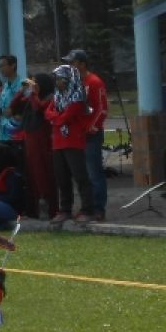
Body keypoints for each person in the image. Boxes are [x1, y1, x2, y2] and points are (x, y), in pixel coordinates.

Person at [46, 65, 95, 226]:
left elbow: (65, 117)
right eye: (57, 79)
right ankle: (65, 209)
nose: (58, 82)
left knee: (80, 177)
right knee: (62, 178)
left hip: (73, 141)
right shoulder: (57, 96)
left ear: (68, 79)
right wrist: (57, 117)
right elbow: (48, 113)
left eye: (60, 79)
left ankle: (87, 209)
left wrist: (57, 117)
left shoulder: (77, 97)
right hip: (58, 142)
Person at [65, 49, 109, 220]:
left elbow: (102, 108)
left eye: (73, 62)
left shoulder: (94, 82)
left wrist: (92, 127)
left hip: (90, 135)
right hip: (76, 135)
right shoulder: (72, 83)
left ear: (82, 64)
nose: (70, 66)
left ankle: (98, 208)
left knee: (94, 173)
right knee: (81, 174)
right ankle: (86, 207)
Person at [16, 73, 59, 220]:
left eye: (36, 83)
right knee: (32, 176)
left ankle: (52, 209)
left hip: (42, 142)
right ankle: (33, 209)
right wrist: (22, 91)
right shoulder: (32, 98)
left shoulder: (49, 98)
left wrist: (33, 94)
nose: (33, 86)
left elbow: (38, 108)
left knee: (45, 175)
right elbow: (13, 107)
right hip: (30, 140)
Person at [0, 55, 24, 144]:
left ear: (13, 65)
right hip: (4, 131)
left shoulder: (23, 85)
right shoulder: (5, 86)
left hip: (17, 131)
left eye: (3, 65)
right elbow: (1, 106)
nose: (0, 69)